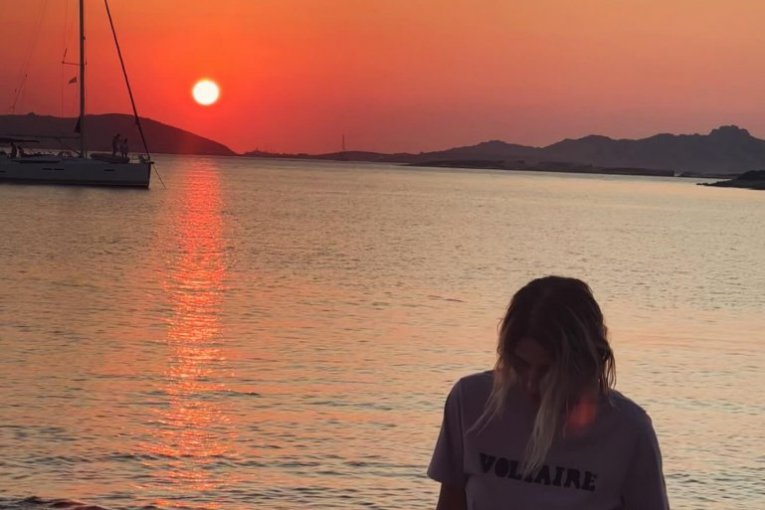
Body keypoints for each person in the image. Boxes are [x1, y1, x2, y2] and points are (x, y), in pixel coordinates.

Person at [428, 276, 669, 510]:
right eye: (521, 364)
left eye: (548, 370)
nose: (532, 383)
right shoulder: (470, 401)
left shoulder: (629, 430)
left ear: (583, 364)